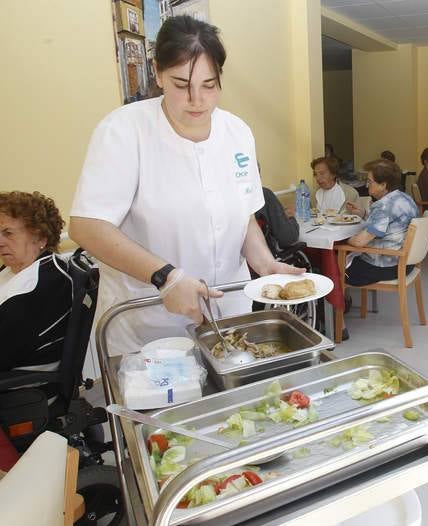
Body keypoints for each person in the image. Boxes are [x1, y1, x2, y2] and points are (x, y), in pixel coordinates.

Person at [69, 16, 302, 355]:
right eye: (181, 84)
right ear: (158, 73)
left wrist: (265, 265)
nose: (197, 99)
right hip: (148, 320)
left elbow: (244, 213)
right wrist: (167, 277)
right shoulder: (124, 131)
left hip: (228, 312)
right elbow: (87, 226)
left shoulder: (237, 132)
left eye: (209, 85)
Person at [0, 192, 72, 372]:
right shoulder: (13, 269)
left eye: (8, 233)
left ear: (40, 238)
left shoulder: (41, 285)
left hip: (19, 391)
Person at [344, 159, 419, 286]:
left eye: (369, 181)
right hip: (407, 262)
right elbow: (389, 225)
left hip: (386, 265)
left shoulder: (384, 207)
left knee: (333, 266)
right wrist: (364, 214)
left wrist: (342, 239)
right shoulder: (405, 198)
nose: (367, 185)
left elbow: (359, 242)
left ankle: (342, 303)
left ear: (383, 185)